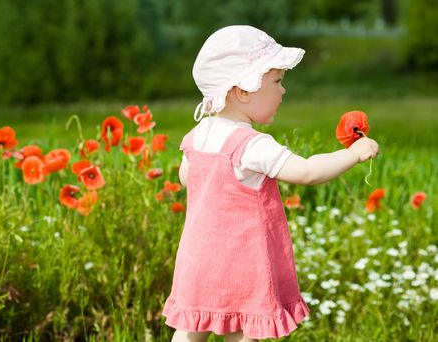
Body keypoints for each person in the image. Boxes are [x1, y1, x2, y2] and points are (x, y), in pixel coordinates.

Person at [161, 25, 379, 342]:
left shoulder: (197, 136)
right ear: (244, 90)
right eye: (277, 81)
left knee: (192, 327)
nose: (283, 91)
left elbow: (186, 178)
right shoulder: (251, 145)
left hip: (198, 263)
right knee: (242, 331)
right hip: (241, 266)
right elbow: (307, 172)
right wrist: (355, 153)